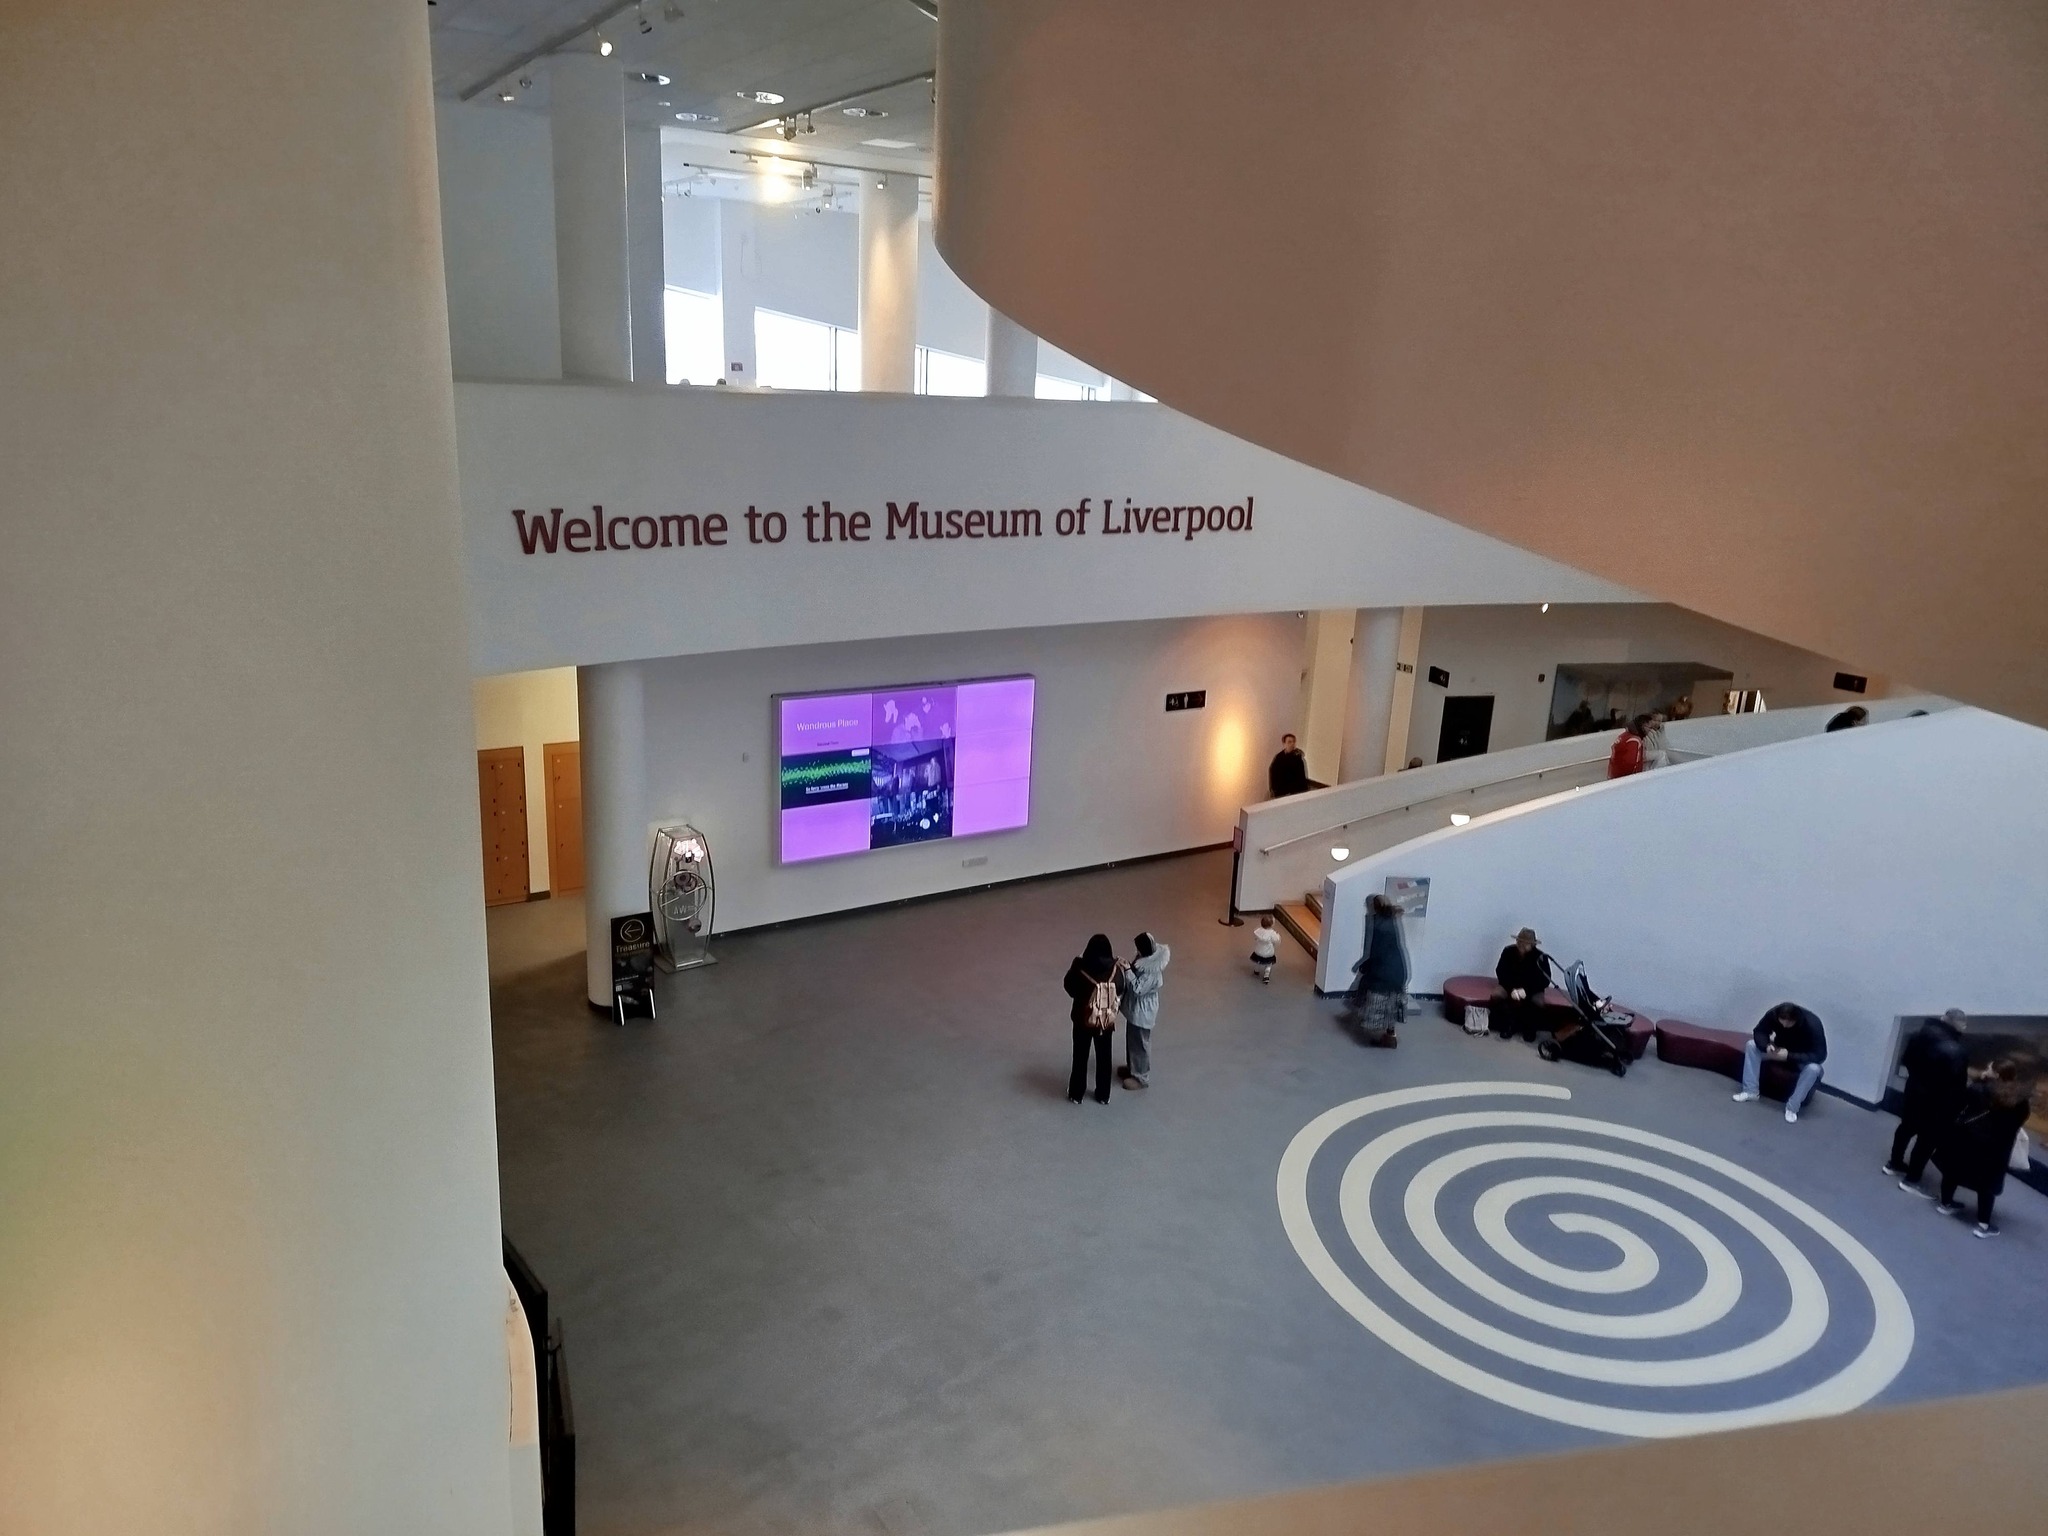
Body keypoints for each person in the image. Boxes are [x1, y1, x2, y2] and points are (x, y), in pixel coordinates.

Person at [1924, 1059, 2033, 1237]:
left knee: (1953, 1171)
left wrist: (1980, 1080)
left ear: (1996, 1074)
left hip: (1967, 1139)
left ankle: (1946, 1204)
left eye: (1989, 1068)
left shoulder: (1978, 1089)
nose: (1986, 1069)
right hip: (1995, 1149)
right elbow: (2018, 1121)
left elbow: (1961, 1104)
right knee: (1986, 1185)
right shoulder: (2019, 1101)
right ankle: (1983, 1225)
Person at [1889, 1009, 1970, 1185]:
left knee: (1906, 1128)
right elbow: (1958, 1085)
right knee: (1927, 1139)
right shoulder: (1957, 1050)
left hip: (1914, 1091)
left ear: (1943, 1018)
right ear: (1960, 1025)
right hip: (1938, 1102)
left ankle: (1894, 1163)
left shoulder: (1918, 1035)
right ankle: (1912, 1179)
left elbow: (1907, 1060)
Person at [1733, 1002, 1828, 1122]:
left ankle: (1792, 1108)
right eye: (1782, 1022)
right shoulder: (1773, 1014)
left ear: (1796, 1020)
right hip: (1779, 1049)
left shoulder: (1813, 1024)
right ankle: (1750, 1091)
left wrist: (1789, 1056)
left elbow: (1820, 1055)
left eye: (1789, 1023)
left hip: (1800, 1057)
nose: (1785, 1026)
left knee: (1814, 1069)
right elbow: (1760, 1031)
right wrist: (1766, 1046)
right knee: (1751, 1045)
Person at [1063, 934, 1123, 1105]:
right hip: (1105, 1021)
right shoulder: (1115, 970)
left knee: (1080, 1057)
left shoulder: (1080, 968)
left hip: (1083, 1020)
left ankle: (1076, 1093)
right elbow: (1120, 988)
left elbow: (1069, 987)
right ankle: (1103, 1095)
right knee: (1104, 1058)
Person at [1343, 894, 1409, 1048]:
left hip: (1381, 971)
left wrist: (1360, 966)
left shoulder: (1374, 922)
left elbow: (1371, 951)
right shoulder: (1394, 918)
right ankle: (1390, 1035)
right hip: (1398, 969)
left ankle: (1362, 1018)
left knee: (1368, 991)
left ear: (1372, 907)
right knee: (1392, 1002)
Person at [1117, 932, 1171, 1089]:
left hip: (1142, 1014)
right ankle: (1133, 1068)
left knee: (1140, 1044)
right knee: (1132, 1041)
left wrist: (1128, 971)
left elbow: (1138, 989)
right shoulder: (1144, 960)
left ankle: (1141, 1077)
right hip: (1136, 1011)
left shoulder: (1152, 972)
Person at [1493, 927, 1552, 1041]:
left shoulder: (1541, 957)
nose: (1521, 945)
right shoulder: (1508, 951)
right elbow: (1500, 971)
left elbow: (1545, 980)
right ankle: (1508, 1024)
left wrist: (1526, 991)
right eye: (1519, 941)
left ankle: (1530, 1029)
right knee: (1497, 995)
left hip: (1532, 989)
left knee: (1538, 1001)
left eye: (1526, 943)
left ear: (1532, 945)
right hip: (1510, 986)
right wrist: (1511, 989)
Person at [1250, 915, 1280, 983]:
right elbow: (1276, 940)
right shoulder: (1272, 933)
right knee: (1269, 964)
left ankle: (1256, 970)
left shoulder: (1258, 931)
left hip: (1258, 951)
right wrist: (1277, 935)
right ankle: (1266, 975)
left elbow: (1255, 938)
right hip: (1268, 953)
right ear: (1271, 925)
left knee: (1258, 961)